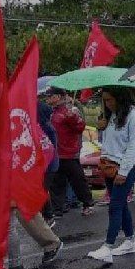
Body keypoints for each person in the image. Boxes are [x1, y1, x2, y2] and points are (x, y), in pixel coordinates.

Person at [87, 88, 135, 263]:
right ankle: (131, 241)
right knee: (121, 206)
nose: (107, 104)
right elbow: (108, 143)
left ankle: (108, 246)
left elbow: (133, 148)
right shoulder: (112, 116)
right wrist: (102, 129)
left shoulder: (134, 118)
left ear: (121, 99)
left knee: (115, 206)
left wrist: (124, 172)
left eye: (110, 100)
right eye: (105, 100)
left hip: (124, 167)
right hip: (109, 165)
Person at [46, 87, 94, 216]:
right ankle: (58, 209)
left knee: (77, 180)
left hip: (69, 152)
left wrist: (72, 118)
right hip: (55, 153)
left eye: (49, 96)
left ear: (57, 97)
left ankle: (87, 204)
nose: (47, 98)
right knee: (56, 182)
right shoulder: (51, 111)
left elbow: (80, 127)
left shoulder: (71, 110)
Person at [37, 100, 60, 225]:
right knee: (43, 190)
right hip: (43, 164)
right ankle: (48, 215)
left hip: (49, 164)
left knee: (41, 190)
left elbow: (51, 148)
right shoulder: (39, 126)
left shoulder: (47, 129)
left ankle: (48, 217)